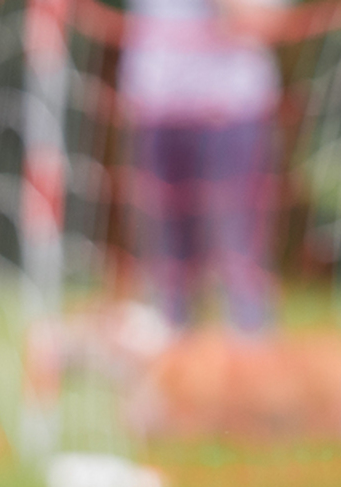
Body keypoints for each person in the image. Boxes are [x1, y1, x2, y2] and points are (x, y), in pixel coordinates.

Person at [118, 0, 283, 332]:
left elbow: (261, 21)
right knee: (166, 273)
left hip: (233, 110)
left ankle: (253, 366)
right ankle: (174, 370)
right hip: (156, 105)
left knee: (238, 263)